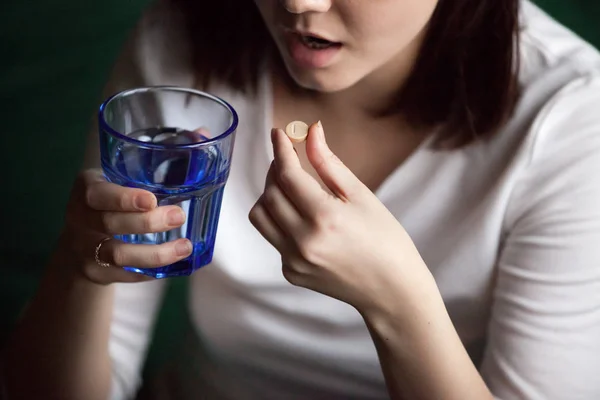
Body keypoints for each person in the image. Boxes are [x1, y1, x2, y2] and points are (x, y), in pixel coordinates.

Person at [4, 0, 600, 398]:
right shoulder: (184, 46)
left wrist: (395, 301)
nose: (298, 4)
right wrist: (79, 268)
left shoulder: (572, 117)